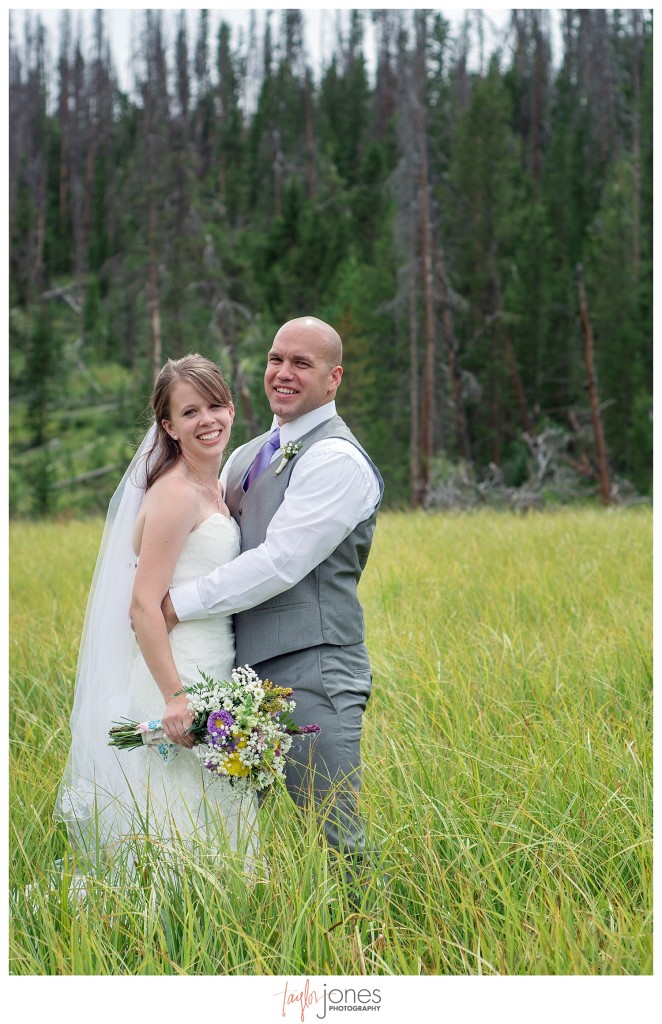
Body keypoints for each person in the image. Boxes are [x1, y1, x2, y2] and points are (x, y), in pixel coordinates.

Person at [162, 317, 384, 877]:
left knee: (337, 836)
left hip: (315, 667)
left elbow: (281, 562)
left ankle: (370, 954)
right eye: (275, 359)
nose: (282, 373)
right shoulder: (248, 455)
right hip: (239, 677)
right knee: (224, 832)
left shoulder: (336, 459)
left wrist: (178, 604)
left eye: (301, 364)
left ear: (333, 379)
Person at [54, 355, 256, 869]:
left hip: (215, 666)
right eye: (190, 412)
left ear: (231, 408)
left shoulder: (215, 486)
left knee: (217, 821)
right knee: (177, 827)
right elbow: (143, 605)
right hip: (179, 675)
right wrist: (175, 697)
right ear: (168, 426)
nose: (207, 420)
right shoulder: (175, 493)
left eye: (216, 405)